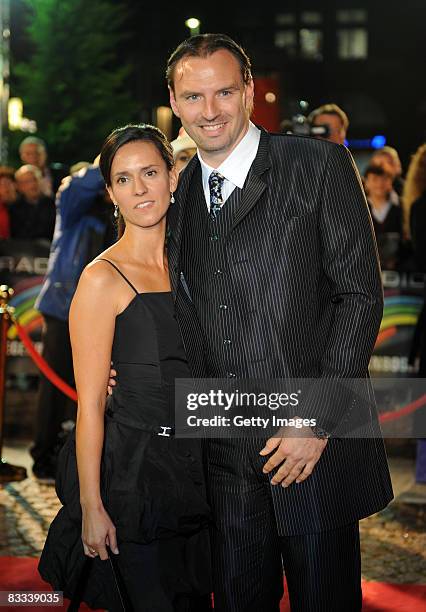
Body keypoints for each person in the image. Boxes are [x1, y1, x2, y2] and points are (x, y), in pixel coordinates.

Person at [163, 33, 392, 611]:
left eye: (222, 93)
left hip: (312, 448)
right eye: (193, 97)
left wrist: (312, 420)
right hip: (228, 457)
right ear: (173, 100)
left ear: (248, 92)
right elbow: (191, 314)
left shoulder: (317, 164)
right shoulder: (184, 190)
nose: (208, 111)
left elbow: (359, 296)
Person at [39, 124, 211, 611]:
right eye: (124, 179)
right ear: (111, 192)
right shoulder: (101, 279)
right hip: (135, 479)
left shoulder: (195, 266)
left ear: (173, 177)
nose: (139, 189)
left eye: (150, 173)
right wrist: (92, 506)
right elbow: (90, 405)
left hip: (198, 470)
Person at [31, 159, 115, 482]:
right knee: (55, 385)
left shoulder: (115, 215)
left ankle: (76, 457)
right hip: (62, 310)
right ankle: (44, 457)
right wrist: (106, 160)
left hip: (98, 314)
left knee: (92, 388)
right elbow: (79, 185)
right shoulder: (72, 207)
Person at [9, 164, 55, 241]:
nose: (33, 184)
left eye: (35, 179)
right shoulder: (14, 208)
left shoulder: (53, 203)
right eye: (27, 181)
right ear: (19, 186)